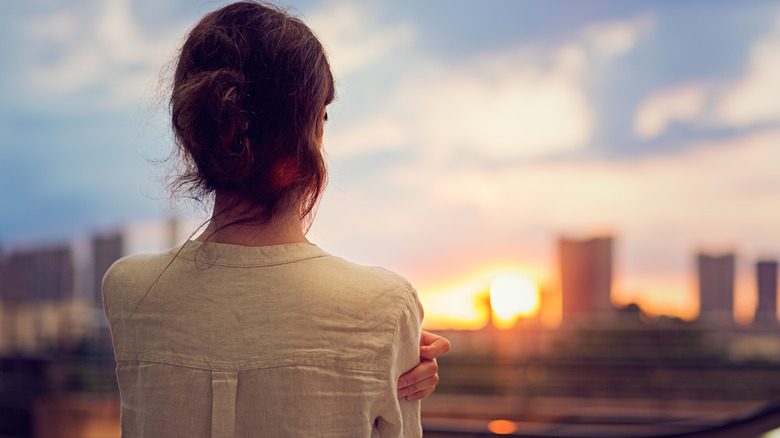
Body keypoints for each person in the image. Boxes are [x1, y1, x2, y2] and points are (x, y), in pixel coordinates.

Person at [102, 1, 448, 437]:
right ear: (312, 132)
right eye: (322, 114)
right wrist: (386, 344)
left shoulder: (128, 290)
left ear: (198, 132)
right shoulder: (388, 304)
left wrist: (386, 343)